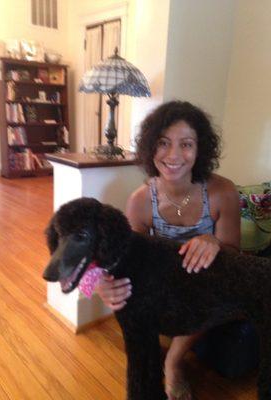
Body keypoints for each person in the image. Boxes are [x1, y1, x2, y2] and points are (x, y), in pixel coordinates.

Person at [96, 100, 240, 400]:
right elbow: (126, 259)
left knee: (216, 292)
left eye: (186, 144)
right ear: (151, 148)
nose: (174, 155)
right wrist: (103, 284)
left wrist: (213, 242)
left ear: (200, 149)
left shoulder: (222, 192)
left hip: (210, 280)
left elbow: (234, 255)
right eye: (163, 143)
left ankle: (173, 363)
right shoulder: (140, 200)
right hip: (165, 282)